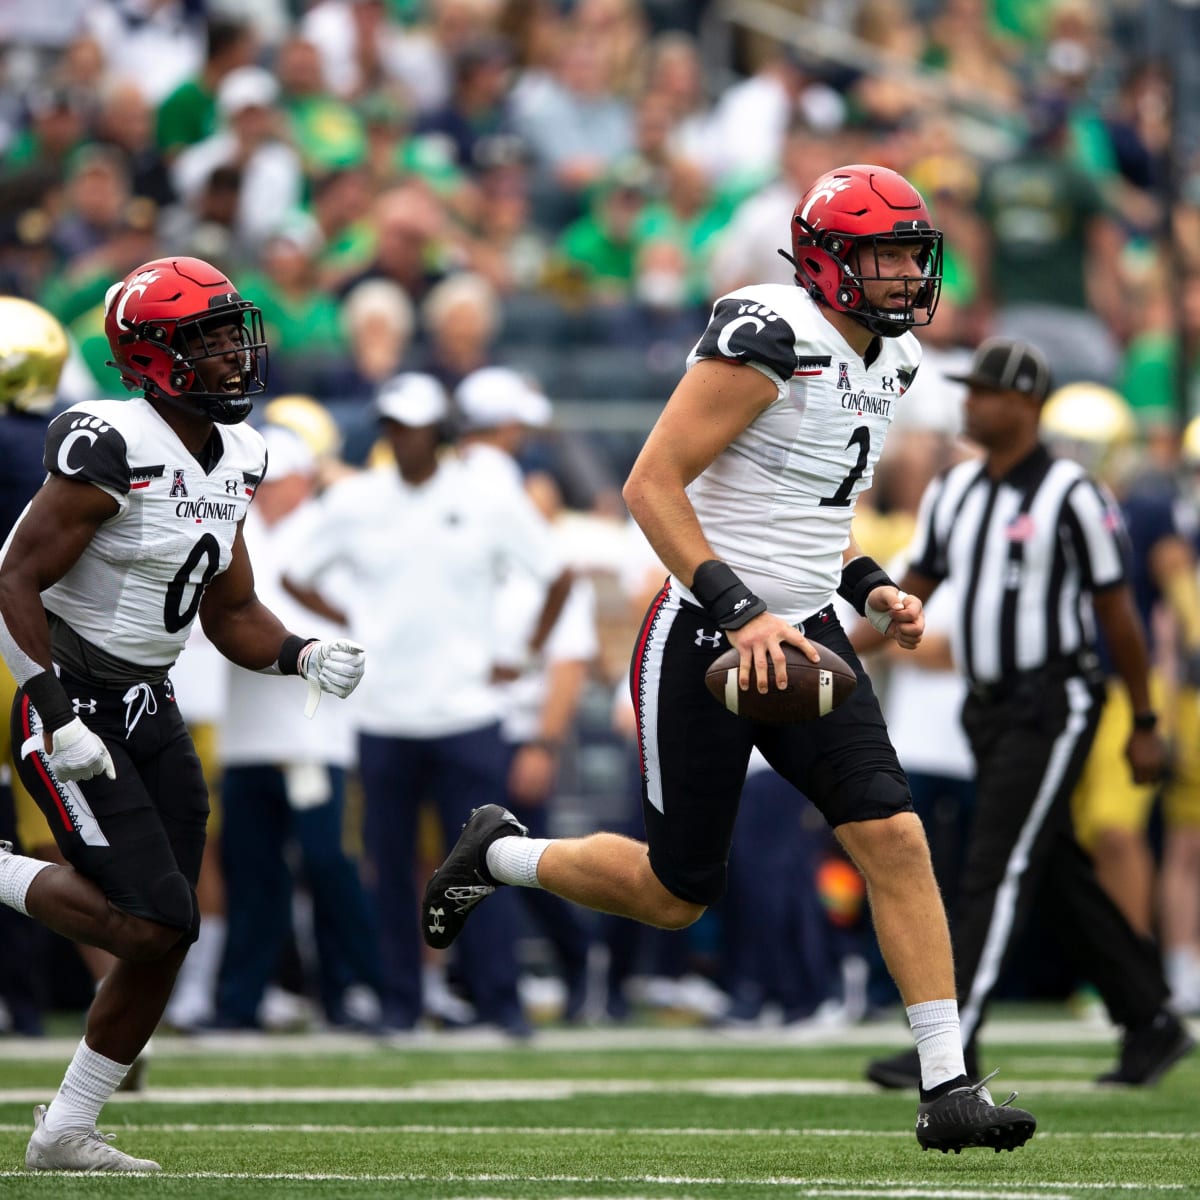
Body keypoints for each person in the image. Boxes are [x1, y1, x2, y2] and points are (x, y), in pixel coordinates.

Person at [423, 163, 1037, 1153]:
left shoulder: (897, 361)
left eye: (907, 256)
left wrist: (872, 584)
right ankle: (500, 855)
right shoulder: (769, 335)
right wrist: (741, 610)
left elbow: (817, 511)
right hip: (706, 634)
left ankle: (946, 1083)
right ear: (824, 261)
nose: (898, 277)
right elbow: (651, 484)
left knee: (895, 839)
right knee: (675, 894)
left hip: (805, 627)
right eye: (878, 257)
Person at [0, 255, 366, 1173]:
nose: (234, 356)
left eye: (232, 333)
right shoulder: (108, 441)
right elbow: (14, 578)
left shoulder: (238, 453)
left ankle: (65, 1132)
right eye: (206, 340)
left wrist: (301, 653)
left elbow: (231, 609)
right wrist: (53, 708)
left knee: (170, 932)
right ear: (153, 357)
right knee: (149, 920)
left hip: (150, 705)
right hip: (72, 696)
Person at [864, 337, 1195, 1093]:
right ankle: (1151, 1021)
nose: (968, 404)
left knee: (997, 863)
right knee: (1047, 870)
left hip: (1057, 700)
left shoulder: (1074, 494)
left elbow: (1119, 618)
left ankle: (952, 1044)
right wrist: (833, 647)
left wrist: (1144, 723)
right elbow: (907, 595)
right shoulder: (954, 493)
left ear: (1023, 405)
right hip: (988, 710)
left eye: (982, 393)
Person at [283, 372, 571, 1039]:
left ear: (439, 432)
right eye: (391, 426)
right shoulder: (356, 500)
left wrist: (523, 652)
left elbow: (554, 574)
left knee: (486, 862)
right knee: (389, 868)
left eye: (410, 426)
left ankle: (500, 1002)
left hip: (469, 712)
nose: (398, 438)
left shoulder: (486, 496)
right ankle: (400, 1004)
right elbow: (298, 574)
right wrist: (352, 627)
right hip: (383, 715)